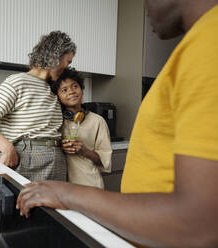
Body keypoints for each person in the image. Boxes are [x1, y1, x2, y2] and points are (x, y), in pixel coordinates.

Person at [16, 0, 218, 247]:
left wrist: (65, 192)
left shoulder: (209, 41)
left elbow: (199, 221)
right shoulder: (200, 43)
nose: (144, 7)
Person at [0, 31, 76, 181]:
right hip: (28, 158)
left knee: (54, 205)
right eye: (68, 61)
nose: (67, 67)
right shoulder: (18, 81)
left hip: (57, 159)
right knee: (28, 204)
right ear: (56, 55)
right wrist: (6, 147)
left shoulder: (53, 89)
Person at [51, 68, 112, 188]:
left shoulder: (98, 121)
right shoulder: (55, 121)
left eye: (75, 86)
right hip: (62, 188)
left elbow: (105, 161)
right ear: (58, 97)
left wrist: (85, 151)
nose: (71, 91)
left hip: (90, 185)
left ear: (82, 90)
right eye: (64, 89)